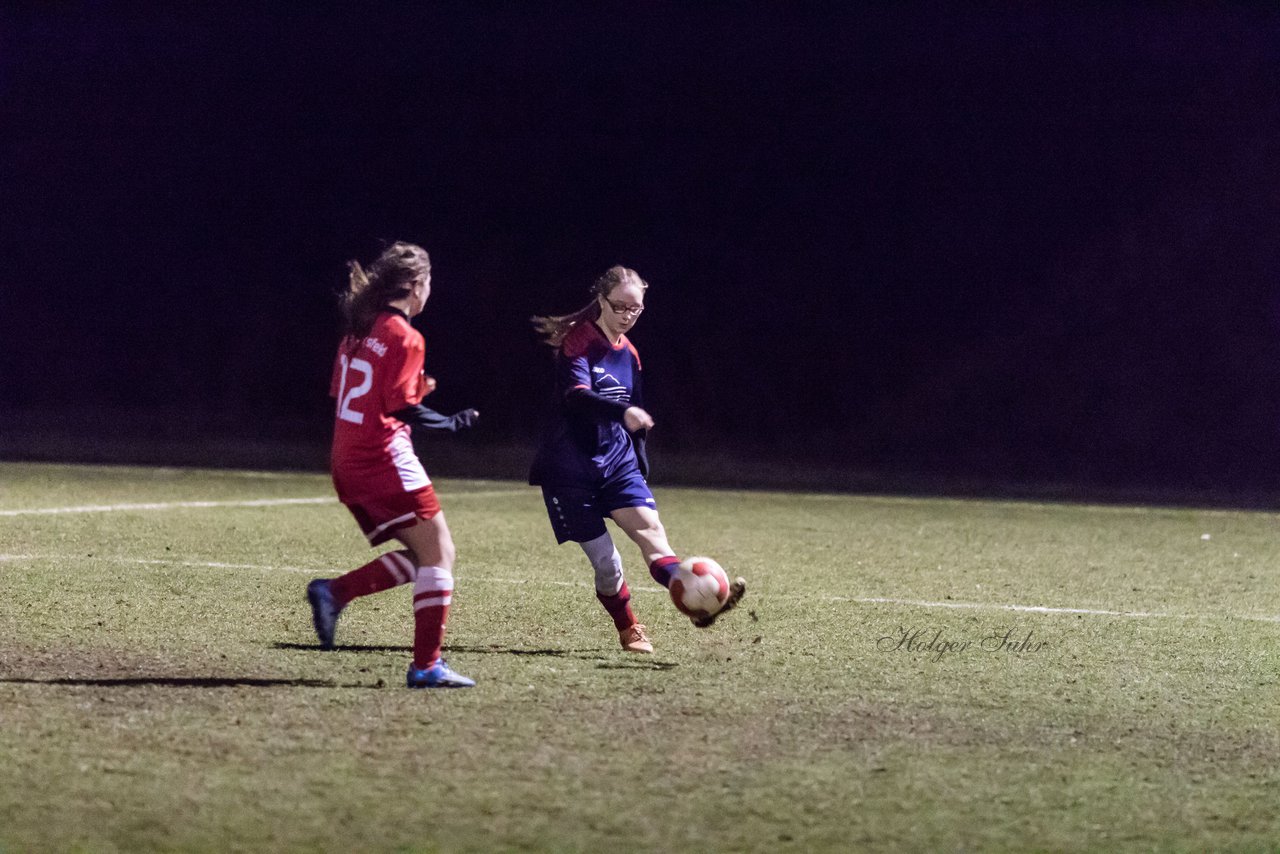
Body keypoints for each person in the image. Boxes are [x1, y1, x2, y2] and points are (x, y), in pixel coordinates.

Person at [529, 265, 745, 654]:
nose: (628, 316)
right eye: (620, 307)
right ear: (601, 300)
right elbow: (575, 395)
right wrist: (620, 414)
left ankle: (700, 600)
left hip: (617, 463)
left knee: (652, 533)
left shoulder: (630, 354)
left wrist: (640, 461)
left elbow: (637, 411)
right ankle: (629, 626)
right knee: (608, 565)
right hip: (569, 469)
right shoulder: (578, 342)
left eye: (636, 310)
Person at [307, 241, 479, 689]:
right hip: (383, 459)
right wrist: (444, 421)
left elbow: (356, 396)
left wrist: (415, 394)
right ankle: (426, 666)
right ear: (416, 285)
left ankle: (336, 592)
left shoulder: (357, 330)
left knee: (427, 554)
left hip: (346, 457)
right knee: (440, 553)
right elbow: (397, 407)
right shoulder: (405, 335)